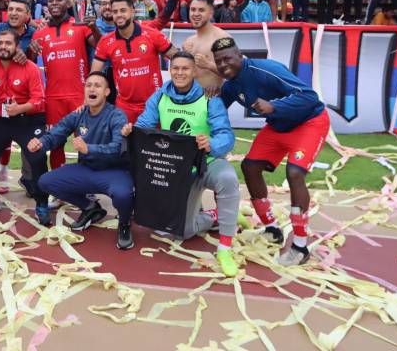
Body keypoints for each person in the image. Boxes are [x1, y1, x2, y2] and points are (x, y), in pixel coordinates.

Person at [212, 37, 330, 266]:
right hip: (278, 126)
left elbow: (309, 96)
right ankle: (272, 229)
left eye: (228, 59)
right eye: (219, 62)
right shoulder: (230, 85)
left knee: (295, 174)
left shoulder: (266, 69)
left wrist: (275, 106)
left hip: (309, 122)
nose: (223, 65)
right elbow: (216, 110)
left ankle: (300, 246)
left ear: (240, 56)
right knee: (249, 167)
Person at [128, 52, 240, 276]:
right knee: (183, 231)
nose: (180, 73)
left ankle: (225, 248)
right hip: (176, 169)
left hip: (206, 162)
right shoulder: (160, 96)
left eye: (185, 69)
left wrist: (211, 144)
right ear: (170, 70)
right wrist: (132, 131)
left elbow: (227, 136)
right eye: (175, 68)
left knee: (228, 179)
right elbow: (144, 125)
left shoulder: (210, 99)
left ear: (195, 72)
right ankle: (217, 215)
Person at [30, 72, 134, 249]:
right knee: (45, 182)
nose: (92, 89)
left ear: (107, 92)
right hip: (86, 169)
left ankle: (124, 224)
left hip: (113, 171)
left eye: (97, 86)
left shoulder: (116, 115)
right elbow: (58, 132)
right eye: (88, 85)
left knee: (123, 196)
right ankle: (90, 207)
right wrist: (41, 142)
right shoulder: (78, 114)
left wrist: (89, 149)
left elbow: (118, 149)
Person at [0, 29, 48, 223]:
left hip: (27, 118)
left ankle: (42, 203)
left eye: (8, 43)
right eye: (0, 43)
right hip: (0, 118)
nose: (3, 47)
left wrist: (20, 108)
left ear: (16, 46)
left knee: (37, 156)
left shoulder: (30, 68)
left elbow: (39, 100)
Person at [29, 0, 99, 171]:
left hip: (79, 96)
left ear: (68, 3)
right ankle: (59, 190)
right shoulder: (40, 34)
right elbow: (27, 63)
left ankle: (85, 188)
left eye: (58, 0)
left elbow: (100, 47)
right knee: (56, 144)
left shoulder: (80, 25)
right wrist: (29, 49)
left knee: (84, 143)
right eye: (50, 1)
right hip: (53, 98)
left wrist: (94, 27)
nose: (54, 3)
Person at [91, 0, 177, 123]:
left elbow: (179, 59)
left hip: (153, 104)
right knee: (125, 143)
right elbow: (94, 74)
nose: (119, 15)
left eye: (123, 10)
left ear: (132, 12)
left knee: (154, 143)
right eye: (115, 12)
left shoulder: (152, 34)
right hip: (124, 107)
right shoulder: (106, 41)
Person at [180, 0, 230, 96]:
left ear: (211, 13)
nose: (196, 14)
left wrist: (209, 65)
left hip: (211, 104)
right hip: (189, 102)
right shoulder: (189, 41)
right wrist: (183, 56)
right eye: (193, 10)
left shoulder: (222, 38)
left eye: (201, 10)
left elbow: (234, 74)